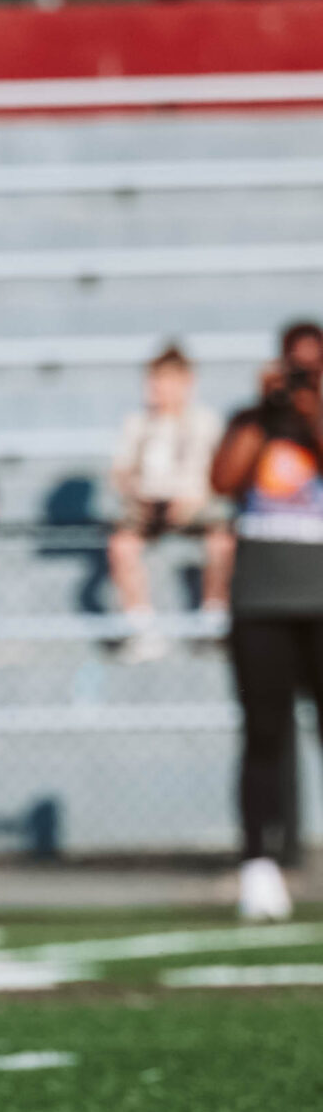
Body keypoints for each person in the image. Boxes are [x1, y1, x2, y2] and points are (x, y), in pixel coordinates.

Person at [209, 320, 323, 922]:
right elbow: (223, 478)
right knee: (263, 736)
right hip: (261, 602)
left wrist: (310, 408)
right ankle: (259, 863)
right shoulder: (252, 419)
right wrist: (262, 411)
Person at [107, 342, 229, 661]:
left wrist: (195, 501)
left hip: (198, 508)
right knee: (121, 545)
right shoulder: (138, 423)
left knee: (223, 542)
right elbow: (120, 472)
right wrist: (138, 495)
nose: (156, 389)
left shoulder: (205, 421)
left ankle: (213, 620)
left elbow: (222, 475)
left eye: (163, 380)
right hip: (149, 508)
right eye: (153, 381)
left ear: (186, 382)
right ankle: (142, 628)